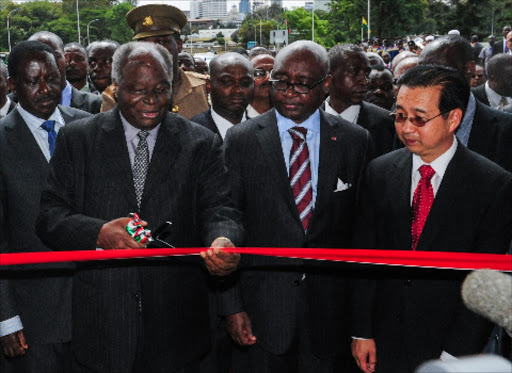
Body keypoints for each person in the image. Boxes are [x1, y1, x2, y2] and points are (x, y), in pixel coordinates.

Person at [36, 41, 243, 373]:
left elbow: (220, 209)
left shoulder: (200, 142)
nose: (152, 100)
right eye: (138, 90)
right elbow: (49, 216)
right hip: (103, 324)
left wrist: (222, 240)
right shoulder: (79, 140)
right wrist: (99, 233)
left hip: (178, 327)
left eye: (161, 89)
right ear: (116, 88)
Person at [221, 40, 373, 373]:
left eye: (302, 84)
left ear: (326, 85)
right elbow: (229, 220)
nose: (289, 92)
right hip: (261, 314)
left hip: (329, 316)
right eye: (280, 81)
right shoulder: (242, 139)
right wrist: (232, 307)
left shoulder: (354, 140)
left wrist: (362, 325)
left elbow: (362, 234)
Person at [351, 65, 512, 373]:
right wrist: (362, 331)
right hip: (384, 341)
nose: (407, 128)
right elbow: (365, 259)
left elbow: (484, 280)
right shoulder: (379, 172)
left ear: (453, 118)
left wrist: (454, 356)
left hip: (451, 346)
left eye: (419, 118)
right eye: (399, 115)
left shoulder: (492, 185)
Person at [0, 40, 91, 373]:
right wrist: (6, 318)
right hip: (32, 317)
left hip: (95, 307)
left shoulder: (88, 127)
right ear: (12, 85)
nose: (44, 89)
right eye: (32, 81)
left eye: (52, 78)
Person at [418, 34, 512, 172]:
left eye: (436, 71)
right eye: (420, 72)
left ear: (469, 68)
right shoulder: (409, 123)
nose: (425, 80)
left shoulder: (506, 129)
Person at [124, 4, 209, 119]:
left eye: (161, 42)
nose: (153, 51)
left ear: (179, 45)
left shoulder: (205, 88)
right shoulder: (120, 95)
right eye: (144, 44)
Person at [324, 44, 395, 156]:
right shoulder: (306, 119)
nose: (365, 81)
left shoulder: (387, 124)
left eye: (366, 74)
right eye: (354, 73)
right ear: (329, 76)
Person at [27, 32, 102, 115]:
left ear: (66, 59)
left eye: (54, 55)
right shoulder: (15, 104)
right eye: (36, 58)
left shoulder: (98, 105)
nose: (45, 63)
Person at [191, 52, 254, 140]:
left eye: (245, 83)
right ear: (209, 85)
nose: (237, 90)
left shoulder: (264, 132)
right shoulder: (190, 133)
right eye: (227, 82)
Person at [246, 53, 274, 119]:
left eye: (273, 73)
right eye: (259, 73)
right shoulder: (237, 116)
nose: (268, 78)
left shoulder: (290, 114)